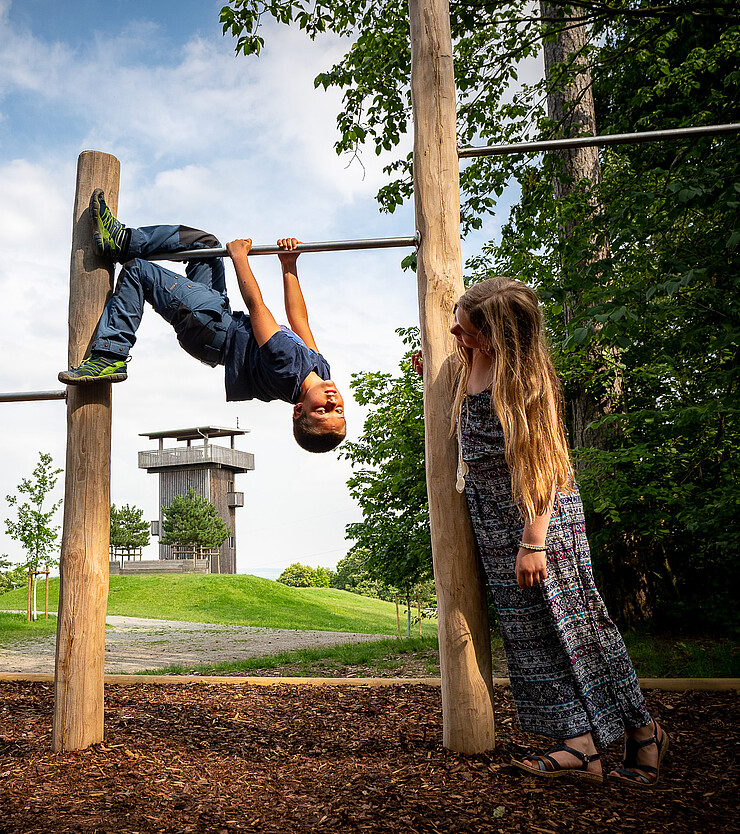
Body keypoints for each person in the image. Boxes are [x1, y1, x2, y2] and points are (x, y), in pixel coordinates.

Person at [412, 276, 667, 789]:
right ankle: (579, 745)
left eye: (464, 331)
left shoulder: (527, 382)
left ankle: (645, 733)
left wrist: (534, 541)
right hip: (494, 522)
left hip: (540, 521)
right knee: (528, 636)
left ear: (496, 336)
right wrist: (435, 372)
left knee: (579, 630)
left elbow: (544, 465)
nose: (455, 336)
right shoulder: (473, 360)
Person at [58, 190, 345, 453]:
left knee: (138, 271)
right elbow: (300, 322)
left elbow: (258, 308)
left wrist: (239, 259)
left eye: (323, 411)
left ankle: (110, 354)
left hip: (209, 328)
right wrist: (289, 264)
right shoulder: (320, 370)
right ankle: (122, 241)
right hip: (221, 320)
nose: (333, 403)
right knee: (205, 245)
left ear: (299, 410)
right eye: (339, 412)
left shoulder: (288, 369)